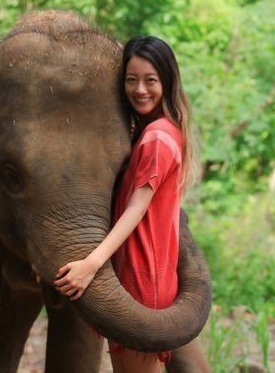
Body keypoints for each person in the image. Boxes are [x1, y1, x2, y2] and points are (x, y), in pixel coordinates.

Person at [54, 36, 209, 373]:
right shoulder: (158, 131)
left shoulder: (156, 138)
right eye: (131, 80)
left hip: (142, 279)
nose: (140, 89)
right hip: (145, 274)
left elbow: (136, 210)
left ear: (167, 81)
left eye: (150, 80)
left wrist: (90, 265)